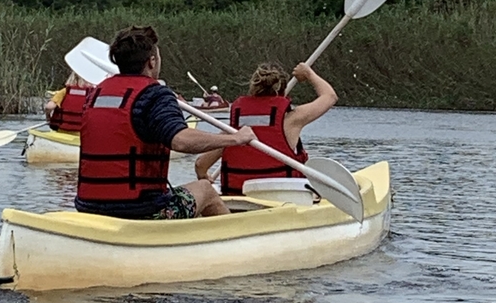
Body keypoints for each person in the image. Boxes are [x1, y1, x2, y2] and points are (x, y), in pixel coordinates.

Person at [75, 25, 256, 219]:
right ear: (152, 61)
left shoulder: (95, 94)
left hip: (88, 206)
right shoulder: (155, 94)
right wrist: (235, 139)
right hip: (141, 209)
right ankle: (227, 244)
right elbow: (181, 140)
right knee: (205, 190)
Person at [195, 61, 337, 195]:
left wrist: (204, 177)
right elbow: (330, 96)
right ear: (283, 89)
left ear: (253, 88)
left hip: (239, 197)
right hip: (281, 198)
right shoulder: (292, 120)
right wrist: (308, 74)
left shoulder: (234, 130)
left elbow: (201, 164)